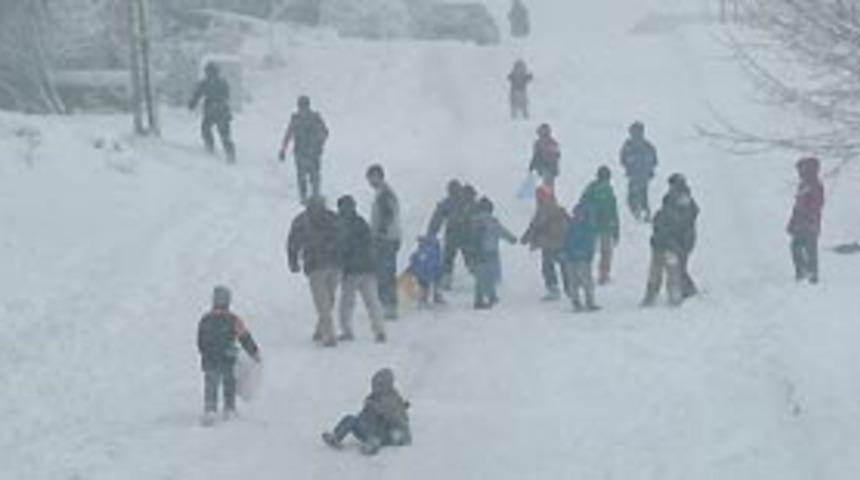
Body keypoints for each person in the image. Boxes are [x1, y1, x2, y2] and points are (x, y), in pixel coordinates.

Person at [197, 286, 261, 426]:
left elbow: (200, 341)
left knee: (211, 384)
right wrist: (254, 352)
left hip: (209, 359)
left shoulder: (205, 319)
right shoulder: (233, 319)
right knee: (229, 383)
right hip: (227, 357)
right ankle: (229, 408)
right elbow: (245, 338)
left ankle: (210, 409)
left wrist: (205, 353)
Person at [287, 196, 342, 347]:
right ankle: (329, 335)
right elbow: (343, 237)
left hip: (317, 265)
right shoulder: (332, 217)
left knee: (325, 301)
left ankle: (321, 330)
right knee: (327, 301)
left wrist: (293, 261)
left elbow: (293, 243)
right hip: (331, 263)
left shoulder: (301, 221)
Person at [322, 369, 412, 456]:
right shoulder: (373, 397)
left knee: (381, 427)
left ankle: (372, 445)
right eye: (374, 385)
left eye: (378, 385)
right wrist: (362, 417)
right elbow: (364, 414)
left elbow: (399, 419)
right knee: (350, 419)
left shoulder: (393, 399)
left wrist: (381, 411)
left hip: (385, 435)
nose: (375, 388)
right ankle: (336, 437)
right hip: (368, 429)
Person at [335, 195, 387, 343]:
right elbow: (371, 244)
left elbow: (340, 248)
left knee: (347, 304)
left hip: (351, 271)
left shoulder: (341, 225)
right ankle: (379, 331)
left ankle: (347, 331)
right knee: (372, 302)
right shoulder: (361, 223)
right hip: (368, 268)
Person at [521, 183, 570, 301]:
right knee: (563, 265)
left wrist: (526, 237)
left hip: (549, 242)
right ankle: (570, 287)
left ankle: (553, 289)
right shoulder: (557, 207)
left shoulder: (544, 208)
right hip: (562, 241)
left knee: (548, 266)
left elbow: (536, 224)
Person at [367, 165, 402, 320]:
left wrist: (379, 233)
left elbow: (387, 216)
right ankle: (386, 304)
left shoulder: (385, 195)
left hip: (386, 240)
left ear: (380, 177)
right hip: (388, 238)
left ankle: (389, 305)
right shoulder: (383, 194)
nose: (371, 181)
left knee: (385, 273)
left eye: (373, 177)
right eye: (369, 178)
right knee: (383, 272)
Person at [279, 96, 329, 203]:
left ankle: (315, 195)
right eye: (301, 107)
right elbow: (288, 134)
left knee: (314, 176)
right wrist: (283, 149)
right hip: (300, 153)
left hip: (313, 153)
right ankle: (304, 196)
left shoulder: (315, 118)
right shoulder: (295, 119)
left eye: (304, 106)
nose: (302, 109)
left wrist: (318, 142)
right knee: (302, 177)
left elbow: (325, 132)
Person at [472, 197, 517, 309]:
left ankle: (479, 298)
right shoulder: (492, 221)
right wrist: (512, 239)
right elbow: (502, 232)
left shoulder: (472, 221)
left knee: (479, 276)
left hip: (477, 252)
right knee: (490, 275)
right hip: (491, 251)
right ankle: (491, 295)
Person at [642, 196, 687, 307]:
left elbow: (656, 229)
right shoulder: (678, 216)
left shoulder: (659, 214)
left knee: (655, 274)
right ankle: (674, 297)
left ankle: (650, 297)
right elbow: (680, 233)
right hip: (671, 249)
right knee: (673, 274)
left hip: (658, 248)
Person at [579, 166, 620, 284]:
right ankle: (604, 275)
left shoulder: (590, 189)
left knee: (587, 252)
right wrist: (616, 229)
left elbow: (582, 205)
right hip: (606, 226)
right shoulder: (609, 191)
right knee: (606, 252)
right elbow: (613, 211)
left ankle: (584, 275)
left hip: (590, 225)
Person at [188, 62, 236, 162]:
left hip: (211, 110)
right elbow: (227, 95)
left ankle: (209, 147)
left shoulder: (204, 83)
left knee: (206, 129)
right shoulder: (222, 82)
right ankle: (230, 153)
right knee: (224, 133)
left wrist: (192, 104)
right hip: (222, 110)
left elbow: (197, 94)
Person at [787, 157, 825, 284]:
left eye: (801, 169)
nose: (799, 172)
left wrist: (808, 216)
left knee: (809, 247)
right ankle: (803, 271)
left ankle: (811, 274)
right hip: (801, 221)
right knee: (797, 246)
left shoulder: (814, 185)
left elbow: (817, 204)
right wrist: (792, 221)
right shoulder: (804, 185)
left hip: (809, 222)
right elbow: (797, 206)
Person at [663, 174, 700, 299]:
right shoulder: (683, 196)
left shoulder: (678, 197)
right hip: (681, 236)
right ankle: (685, 289)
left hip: (681, 237)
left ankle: (688, 289)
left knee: (679, 265)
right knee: (679, 264)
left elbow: (685, 216)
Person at [563, 204, 600, 312]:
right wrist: (564, 251)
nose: (579, 216)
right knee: (573, 281)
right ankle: (576, 301)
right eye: (577, 213)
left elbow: (590, 244)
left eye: (581, 214)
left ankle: (590, 301)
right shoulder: (571, 226)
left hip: (583, 258)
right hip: (570, 257)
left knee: (586, 281)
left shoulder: (589, 228)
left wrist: (586, 254)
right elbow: (566, 239)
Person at [620, 121, 658, 221]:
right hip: (643, 175)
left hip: (635, 175)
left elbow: (622, 159)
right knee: (642, 194)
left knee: (633, 196)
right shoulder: (647, 145)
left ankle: (639, 212)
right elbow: (655, 160)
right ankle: (644, 212)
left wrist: (629, 165)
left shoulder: (629, 145)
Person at [408, 235, 445, 308]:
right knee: (437, 281)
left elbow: (412, 261)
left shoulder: (417, 253)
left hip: (421, 274)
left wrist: (413, 271)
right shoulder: (435, 253)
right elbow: (438, 265)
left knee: (423, 286)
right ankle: (437, 295)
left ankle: (422, 299)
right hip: (433, 273)